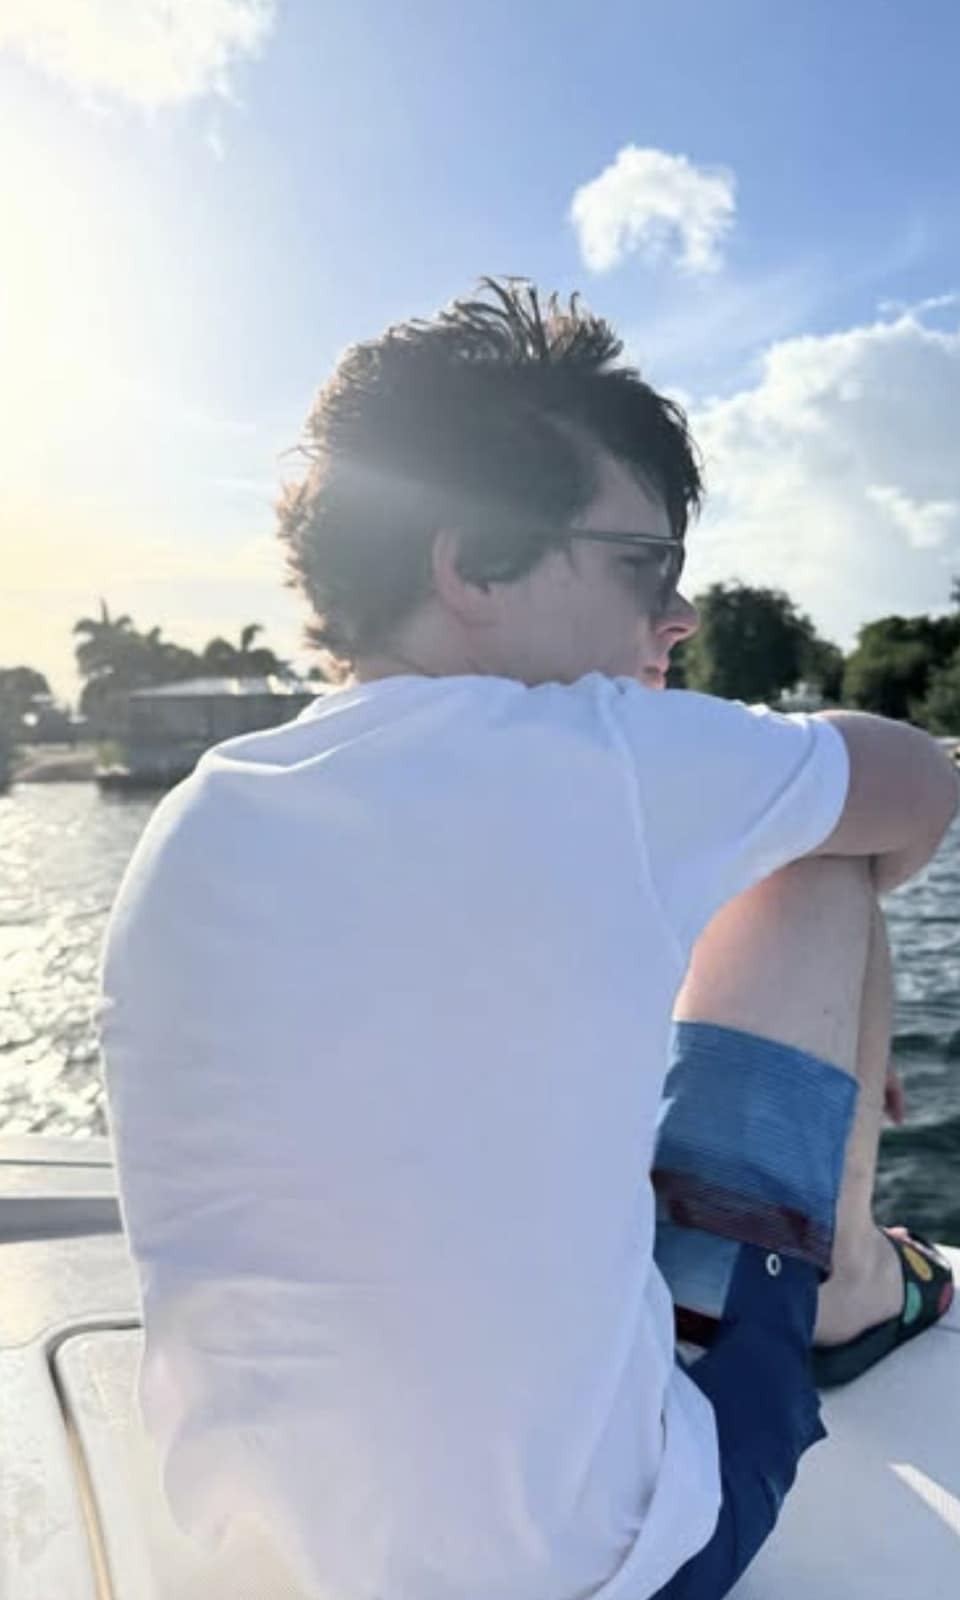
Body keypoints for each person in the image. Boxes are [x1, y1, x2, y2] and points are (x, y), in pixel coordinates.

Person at [99, 278, 957, 1600]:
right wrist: (839, 1009)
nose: (677, 615)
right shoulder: (599, 756)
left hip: (265, 1553)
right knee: (819, 860)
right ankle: (845, 1280)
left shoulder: (203, 809)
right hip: (611, 1568)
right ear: (473, 564)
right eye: (644, 566)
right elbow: (919, 786)